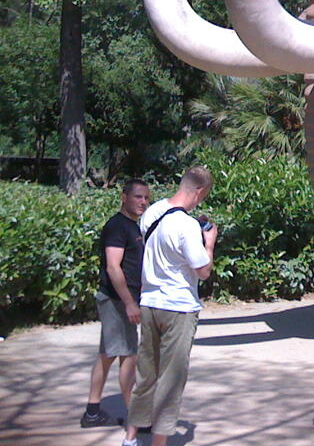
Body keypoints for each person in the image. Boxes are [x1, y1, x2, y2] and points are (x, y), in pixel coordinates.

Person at [121, 166, 217, 446]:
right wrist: (209, 244)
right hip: (179, 307)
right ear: (199, 191)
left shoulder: (152, 212)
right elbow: (203, 271)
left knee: (146, 375)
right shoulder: (187, 226)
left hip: (150, 302)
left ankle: (131, 438)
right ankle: (159, 442)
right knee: (171, 380)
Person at [80, 179, 151, 428]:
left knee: (108, 355)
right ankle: (135, 416)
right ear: (124, 197)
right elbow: (113, 266)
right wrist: (130, 302)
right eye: (138, 197)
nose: (143, 202)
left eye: (146, 198)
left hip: (120, 300)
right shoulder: (117, 226)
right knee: (128, 356)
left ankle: (92, 411)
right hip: (117, 301)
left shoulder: (133, 226)